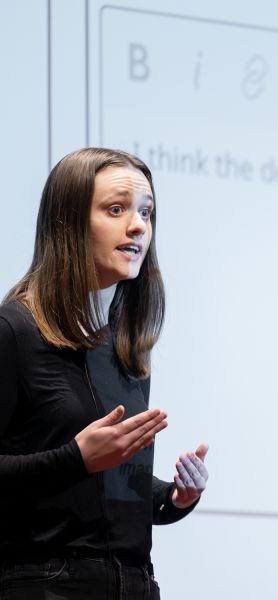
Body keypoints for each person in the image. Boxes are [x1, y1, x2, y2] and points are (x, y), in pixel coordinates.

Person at [0, 148, 209, 599]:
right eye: (117, 209)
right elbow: (74, 465)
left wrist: (171, 498)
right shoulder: (14, 331)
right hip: (45, 586)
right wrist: (74, 458)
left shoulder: (124, 349)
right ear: (69, 222)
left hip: (135, 584)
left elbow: (103, 483)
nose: (138, 226)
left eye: (146, 213)